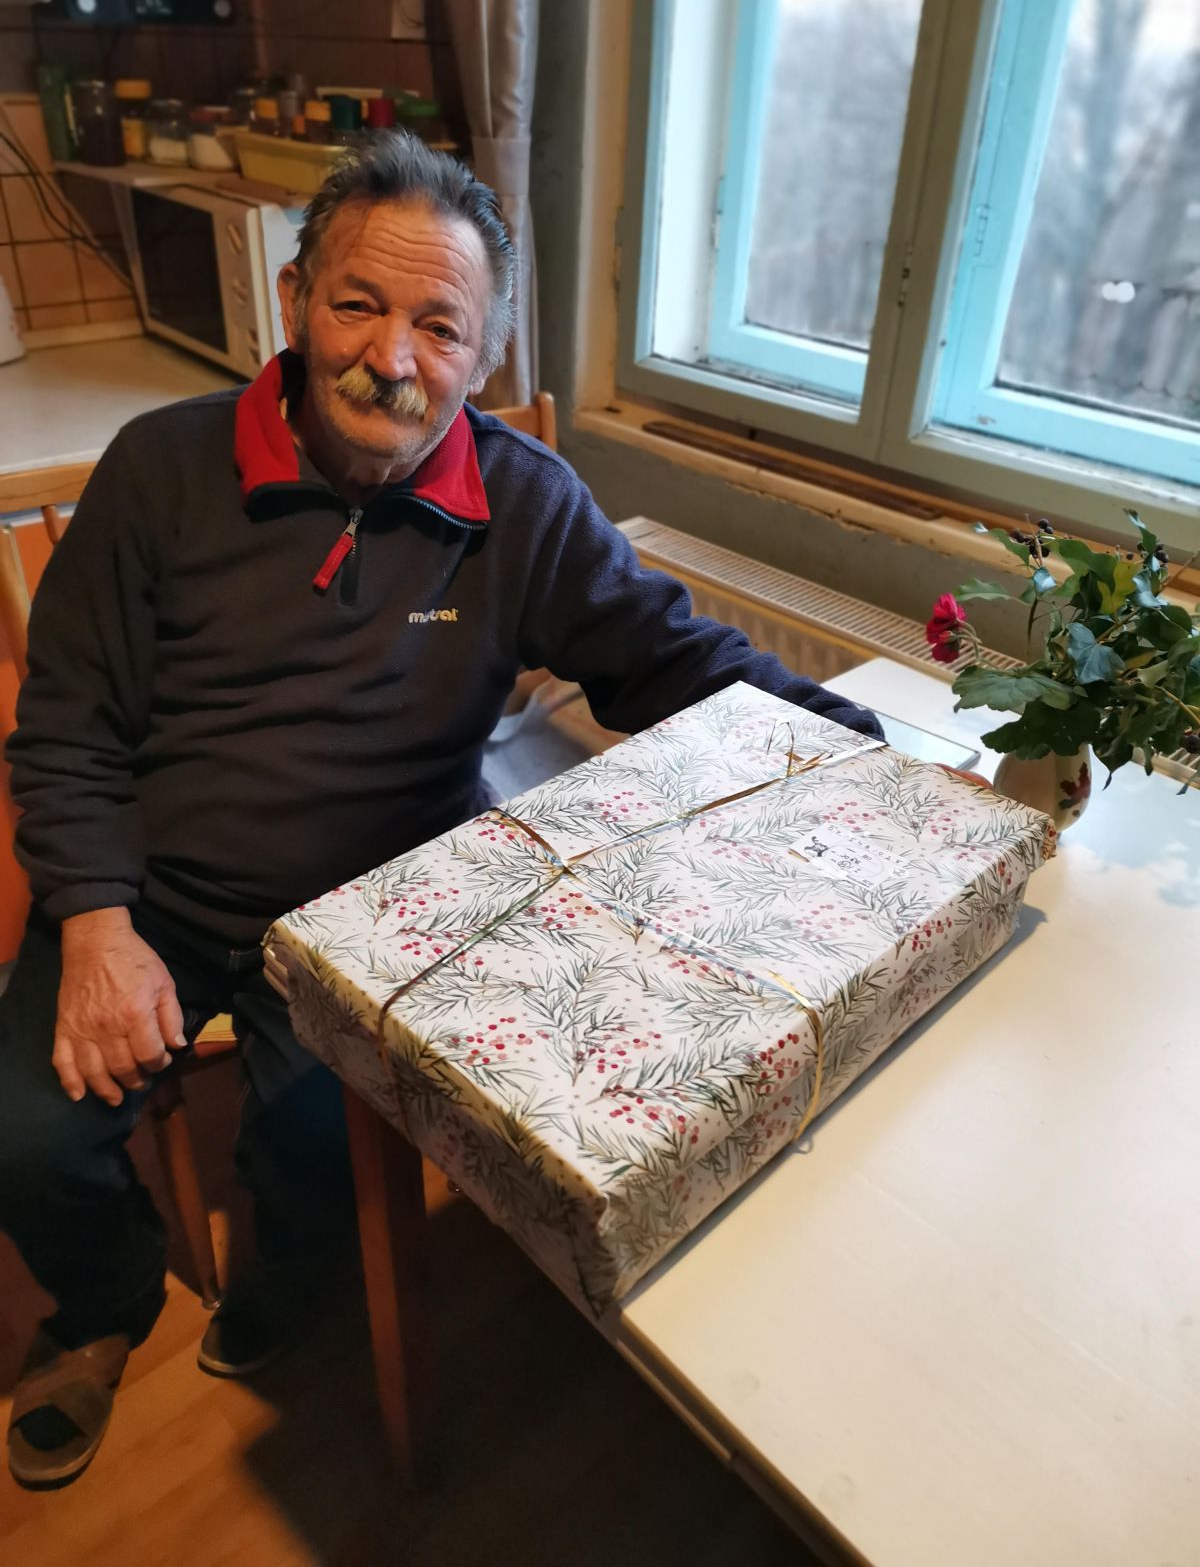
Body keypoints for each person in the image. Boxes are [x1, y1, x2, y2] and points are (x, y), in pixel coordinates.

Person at [0, 130, 882, 1486]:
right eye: (358, 304)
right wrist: (98, 926)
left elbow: (670, 657)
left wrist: (864, 751)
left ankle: (287, 1287)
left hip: (380, 906)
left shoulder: (523, 503)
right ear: (297, 300)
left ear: (484, 354)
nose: (392, 358)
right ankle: (105, 1301)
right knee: (26, 1133)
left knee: (321, 1145)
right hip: (154, 888)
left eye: (439, 326)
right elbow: (65, 721)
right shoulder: (161, 468)